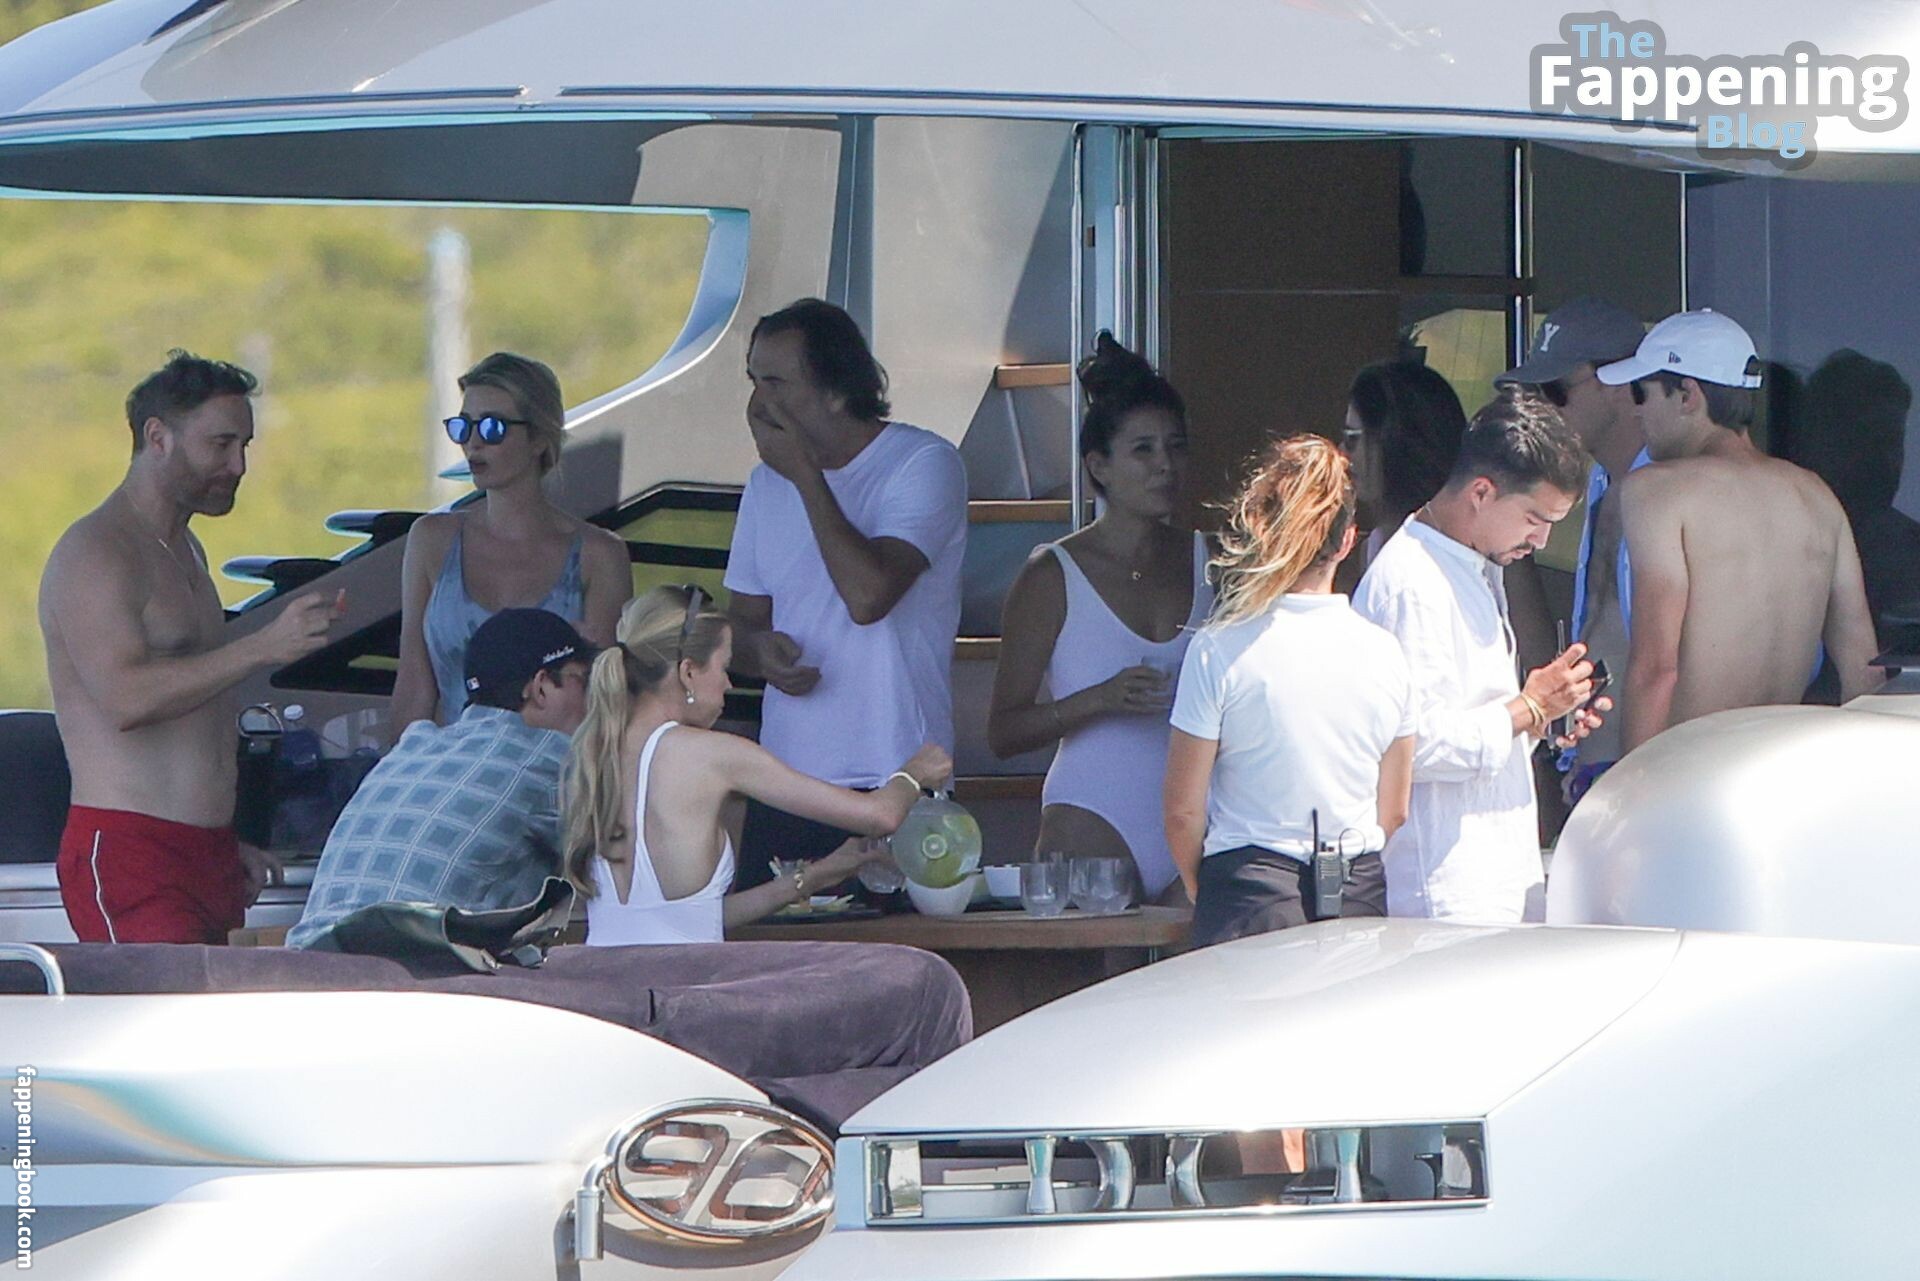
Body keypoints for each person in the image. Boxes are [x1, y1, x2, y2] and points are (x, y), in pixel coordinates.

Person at [40, 350, 341, 944]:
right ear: (158, 438)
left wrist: (224, 838)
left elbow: (196, 710)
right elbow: (125, 698)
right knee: (168, 1005)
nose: (238, 465)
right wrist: (262, 646)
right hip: (131, 850)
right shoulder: (97, 551)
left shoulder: (185, 548)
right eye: (220, 444)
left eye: (244, 445)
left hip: (208, 852)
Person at [723, 299, 967, 888]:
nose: (758, 404)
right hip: (786, 779)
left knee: (895, 940)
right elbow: (740, 627)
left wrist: (807, 476)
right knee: (775, 941)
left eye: (777, 383)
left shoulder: (924, 463)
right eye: (753, 381)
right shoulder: (765, 484)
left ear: (836, 391)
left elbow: (868, 597)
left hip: (898, 772)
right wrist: (761, 653)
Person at [563, 586, 953, 944]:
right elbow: (880, 816)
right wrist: (913, 773)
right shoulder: (711, 754)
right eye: (724, 667)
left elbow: (686, 919)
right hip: (681, 989)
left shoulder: (595, 752)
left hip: (609, 985)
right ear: (688, 672)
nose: (728, 684)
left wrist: (817, 876)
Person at [1355, 390, 1607, 922]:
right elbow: (1411, 746)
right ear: (1482, 492)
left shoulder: (1469, 564)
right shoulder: (1412, 582)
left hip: (1492, 877)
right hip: (1444, 890)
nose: (1541, 540)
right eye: (1535, 518)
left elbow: (1472, 717)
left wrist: (1545, 719)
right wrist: (1528, 709)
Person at [1164, 435, 1415, 947]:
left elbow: (1182, 812)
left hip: (1248, 893)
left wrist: (1204, 888)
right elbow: (1394, 809)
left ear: (1261, 527)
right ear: (1347, 541)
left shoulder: (1219, 648)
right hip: (1357, 891)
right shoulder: (1387, 653)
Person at [988, 333, 1211, 902]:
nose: (1165, 466)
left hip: (1198, 813)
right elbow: (1004, 732)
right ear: (1099, 466)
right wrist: (1098, 699)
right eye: (1143, 450)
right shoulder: (1052, 575)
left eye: (1176, 447)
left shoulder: (1212, 561)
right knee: (1100, 959)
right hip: (1094, 811)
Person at [1600, 311, 1885, 752]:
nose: (1637, 410)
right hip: (1776, 769)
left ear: (1687, 395)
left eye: (1642, 391)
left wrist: (1627, 781)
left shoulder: (1656, 490)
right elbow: (1864, 672)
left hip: (1689, 769)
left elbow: (1656, 668)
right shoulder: (1817, 496)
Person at [289, 609, 597, 949]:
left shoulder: (414, 746)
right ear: (541, 688)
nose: (593, 700)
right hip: (406, 972)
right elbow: (626, 865)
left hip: (305, 961)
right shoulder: (546, 756)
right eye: (584, 681)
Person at [390, 351, 630, 730]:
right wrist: (404, 762)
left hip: (554, 761)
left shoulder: (598, 555)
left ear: (539, 439)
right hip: (452, 759)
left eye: (492, 428)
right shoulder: (431, 540)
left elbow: (602, 701)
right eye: (463, 427)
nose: (473, 443)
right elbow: (414, 685)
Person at [1496, 298, 1648, 800]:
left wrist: (1643, 781)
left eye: (1555, 390)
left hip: (1642, 775)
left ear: (1621, 383)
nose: (1542, 410)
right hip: (1593, 766)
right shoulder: (1599, 480)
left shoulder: (1668, 494)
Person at [1792, 349, 1920, 657]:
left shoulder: (1911, 548)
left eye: (1893, 443)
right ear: (1819, 439)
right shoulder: (1767, 540)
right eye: (1870, 440)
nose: (1886, 461)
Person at [1343, 359, 1468, 565]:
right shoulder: (1374, 547)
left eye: (1352, 438)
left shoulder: (1483, 553)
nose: (1342, 453)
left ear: (1395, 442)